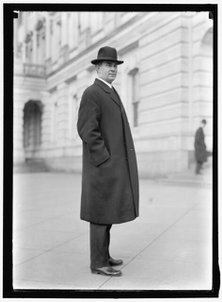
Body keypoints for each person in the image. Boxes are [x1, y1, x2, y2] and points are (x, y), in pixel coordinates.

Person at [77, 46, 139, 277]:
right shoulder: (92, 92)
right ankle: (98, 263)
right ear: (98, 67)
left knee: (107, 214)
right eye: (108, 65)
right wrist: (105, 159)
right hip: (101, 167)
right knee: (100, 216)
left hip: (111, 166)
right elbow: (87, 130)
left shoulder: (110, 91)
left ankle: (104, 255)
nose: (113, 68)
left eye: (115, 65)